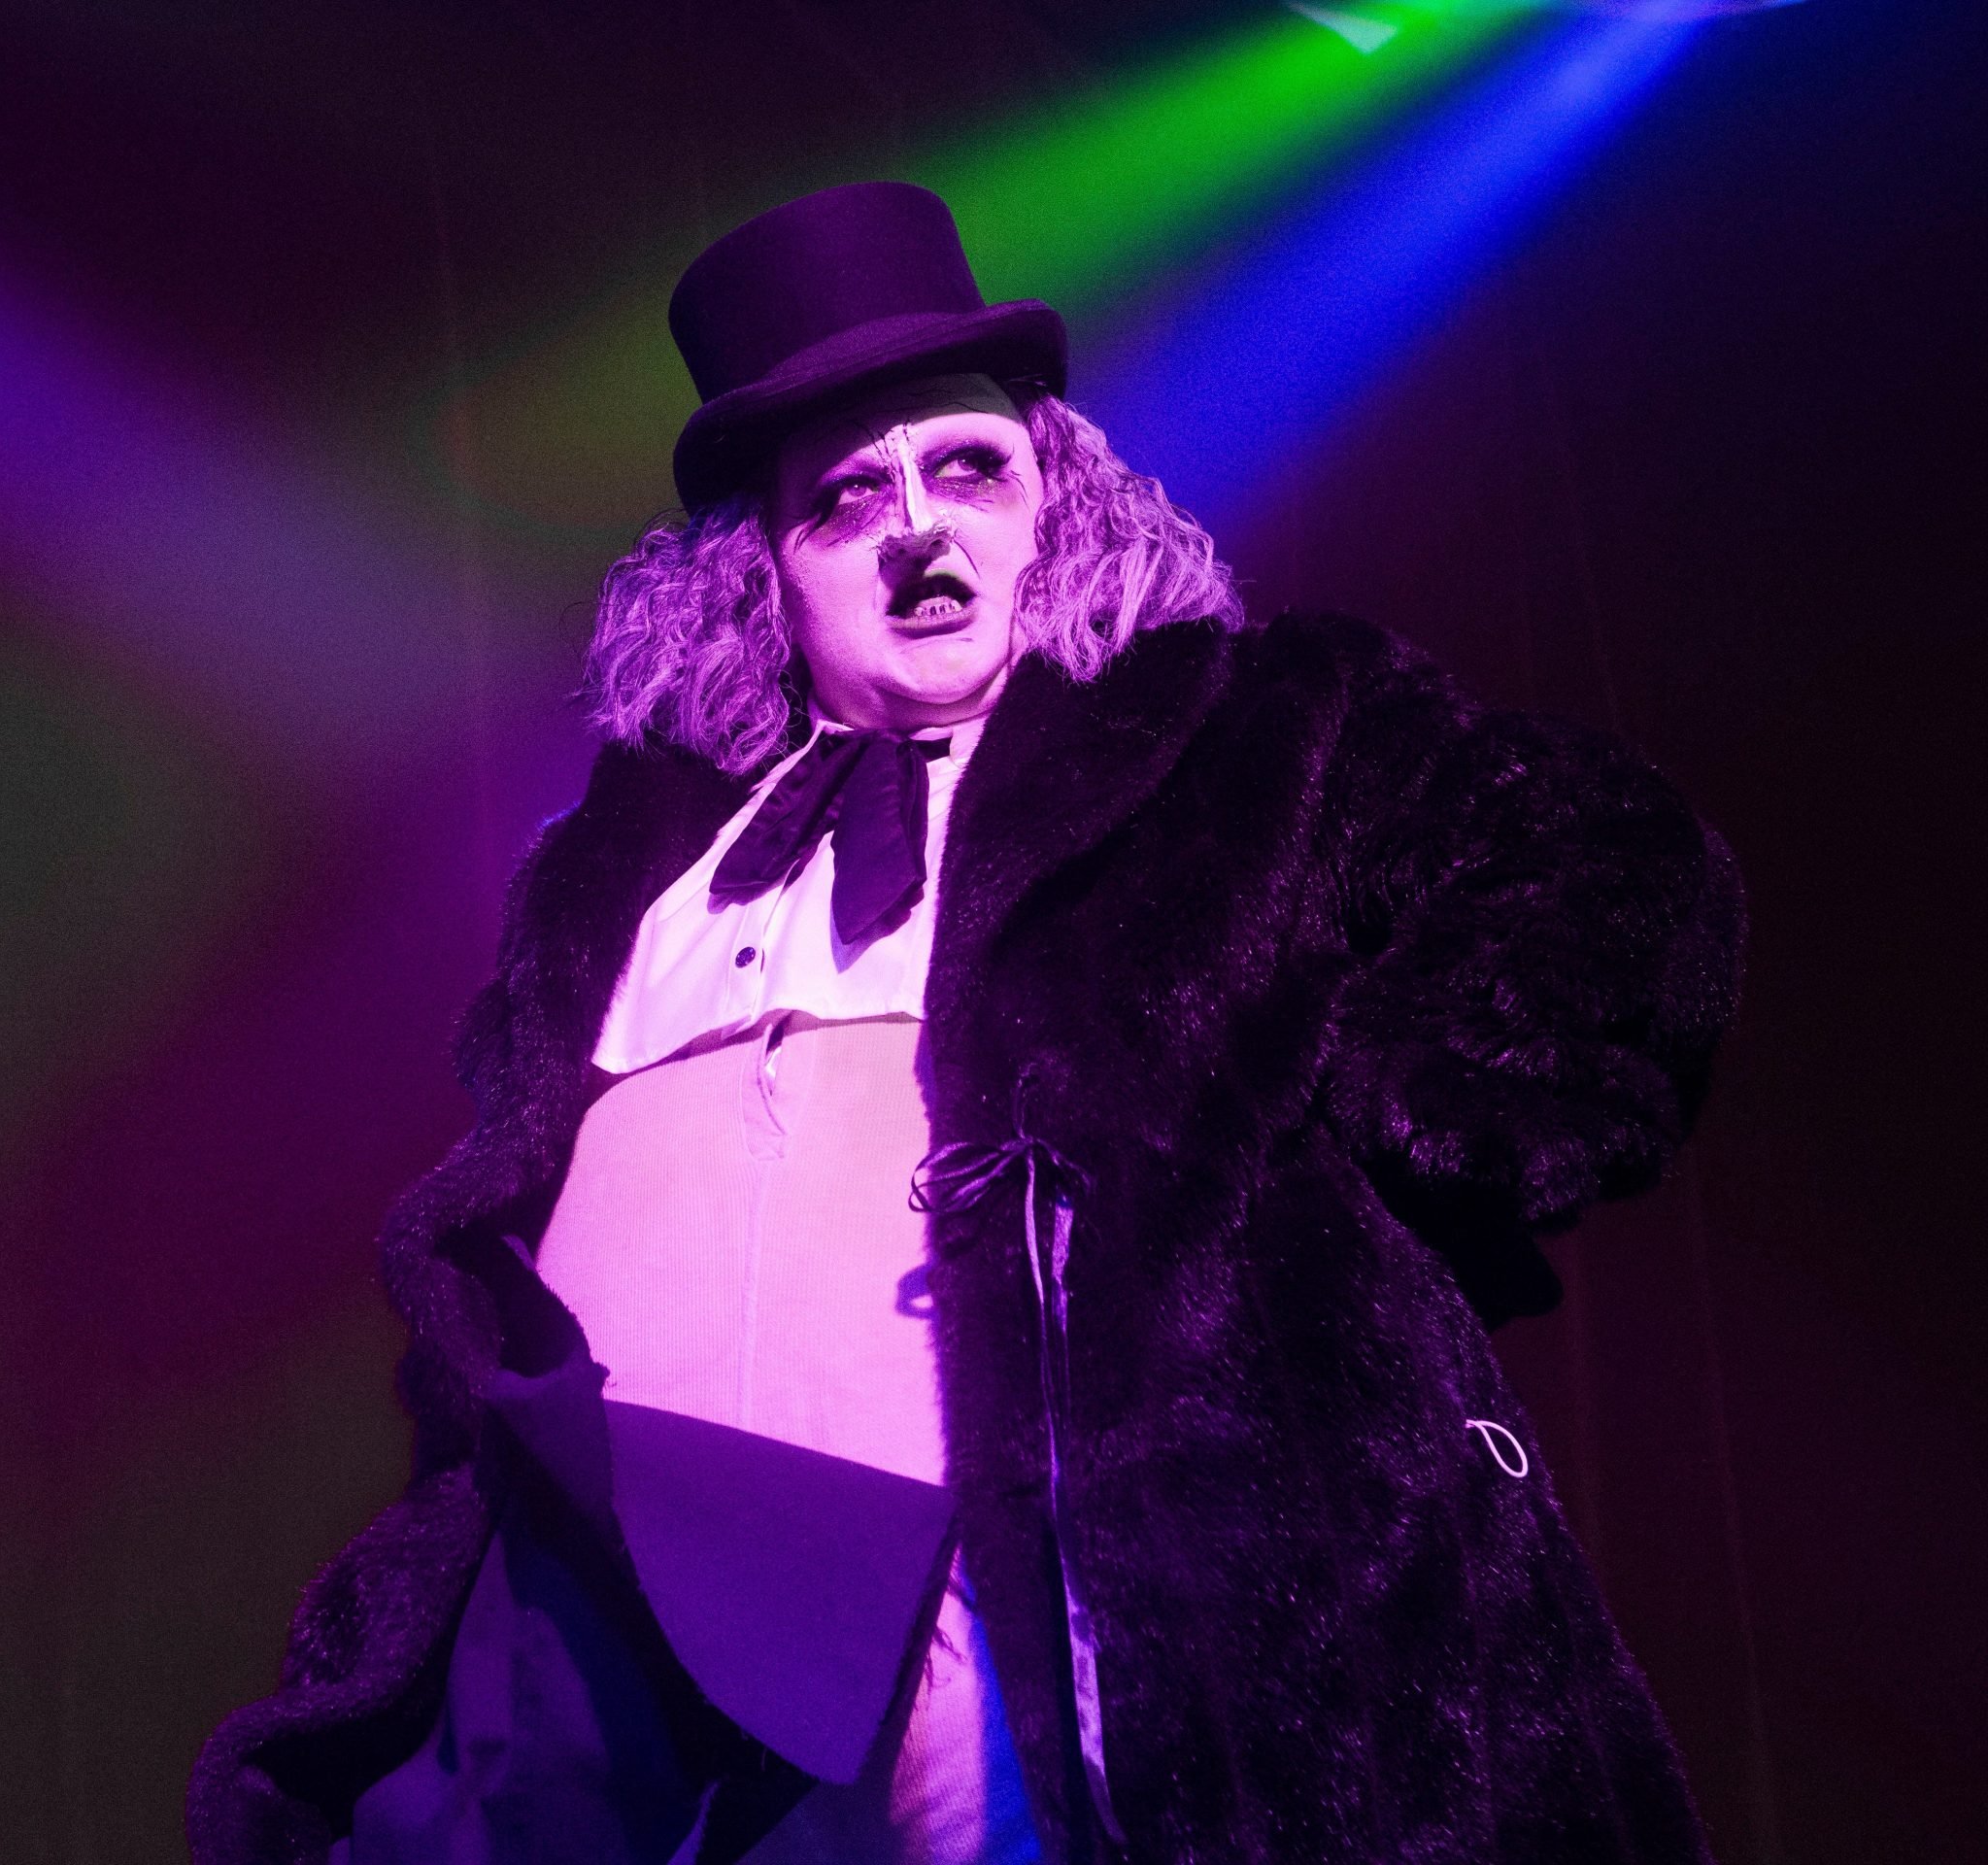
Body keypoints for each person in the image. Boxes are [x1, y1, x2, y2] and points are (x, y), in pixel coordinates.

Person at [188, 182, 1743, 1864]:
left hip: (1009, 1580)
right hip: (601, 1598)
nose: (919, 529)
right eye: (847, 499)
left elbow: (1613, 870)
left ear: (1056, 502)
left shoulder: (1241, 739)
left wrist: (1336, 1172)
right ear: (766, 577)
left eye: (967, 470)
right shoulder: (626, 860)